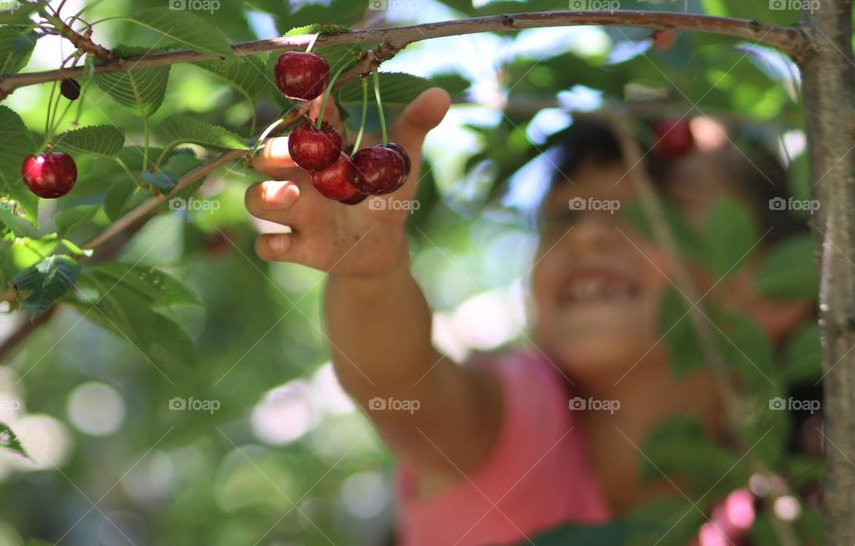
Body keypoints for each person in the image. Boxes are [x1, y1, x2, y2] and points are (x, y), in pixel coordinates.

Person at [244, 88, 819, 546]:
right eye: (565, 216)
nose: (591, 234)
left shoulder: (804, 501)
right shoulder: (520, 425)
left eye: (655, 210)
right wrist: (368, 278)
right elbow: (403, 390)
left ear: (779, 288)